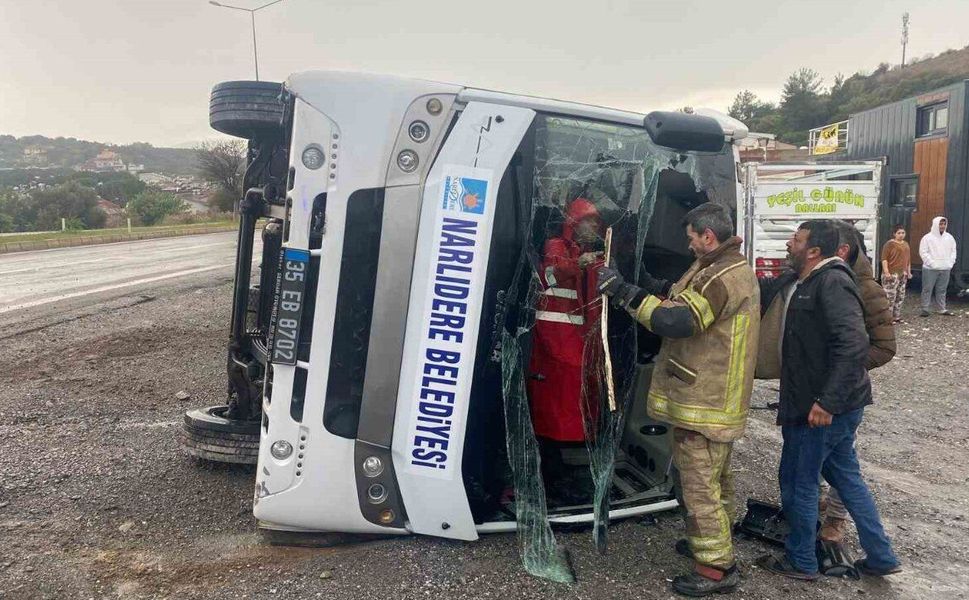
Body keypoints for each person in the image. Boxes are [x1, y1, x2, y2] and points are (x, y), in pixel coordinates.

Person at [597, 202, 759, 596]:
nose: (688, 246)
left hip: (707, 400)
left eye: (691, 239)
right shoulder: (718, 266)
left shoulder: (722, 277)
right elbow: (677, 297)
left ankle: (716, 569)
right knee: (716, 480)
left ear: (708, 236)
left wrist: (622, 292)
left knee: (699, 485)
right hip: (714, 400)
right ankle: (714, 545)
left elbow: (675, 320)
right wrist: (639, 280)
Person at [756, 220, 901, 580]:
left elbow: (854, 346)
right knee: (847, 478)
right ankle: (881, 556)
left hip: (820, 410)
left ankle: (801, 560)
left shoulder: (832, 282)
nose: (790, 244)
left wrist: (827, 401)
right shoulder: (806, 281)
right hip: (828, 405)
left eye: (797, 239)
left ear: (815, 251)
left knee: (798, 482)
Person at [528, 197, 604, 496]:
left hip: (574, 345)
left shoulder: (588, 253)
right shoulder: (556, 246)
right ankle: (549, 477)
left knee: (562, 411)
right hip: (551, 345)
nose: (593, 228)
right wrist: (578, 265)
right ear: (574, 223)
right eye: (589, 222)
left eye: (596, 224)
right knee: (549, 414)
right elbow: (550, 274)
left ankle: (555, 473)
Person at [918, 216, 957, 317]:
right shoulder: (927, 238)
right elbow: (923, 252)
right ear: (935, 224)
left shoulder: (949, 237)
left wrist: (950, 263)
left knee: (942, 289)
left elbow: (953, 251)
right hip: (930, 268)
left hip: (945, 268)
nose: (942, 226)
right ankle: (925, 308)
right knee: (927, 289)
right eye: (940, 224)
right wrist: (932, 263)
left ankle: (941, 308)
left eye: (944, 224)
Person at [881, 224, 913, 323]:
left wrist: (908, 272)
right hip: (892, 273)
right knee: (890, 296)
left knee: (900, 296)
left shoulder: (906, 244)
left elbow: (908, 260)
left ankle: (896, 316)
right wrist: (886, 272)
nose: (901, 235)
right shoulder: (889, 244)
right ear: (894, 234)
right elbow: (884, 259)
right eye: (899, 233)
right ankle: (887, 317)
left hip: (902, 274)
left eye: (903, 233)